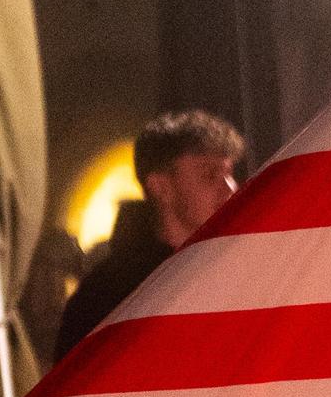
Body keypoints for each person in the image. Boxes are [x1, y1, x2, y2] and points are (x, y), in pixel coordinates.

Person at [51, 108, 243, 362]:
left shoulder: (244, 269)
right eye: (209, 175)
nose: (230, 189)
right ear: (161, 187)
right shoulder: (108, 296)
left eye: (229, 174)